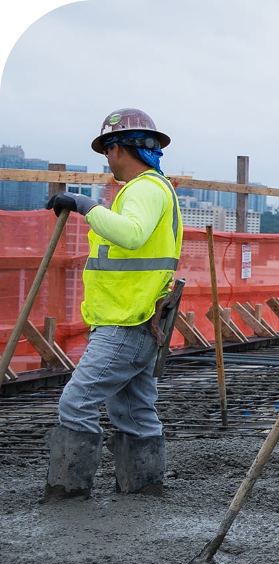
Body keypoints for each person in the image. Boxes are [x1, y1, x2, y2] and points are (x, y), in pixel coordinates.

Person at [43, 108, 182, 499]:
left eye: (108, 151)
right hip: (138, 321)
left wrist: (85, 205)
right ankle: (144, 488)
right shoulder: (156, 189)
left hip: (126, 322)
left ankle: (67, 492)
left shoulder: (143, 189)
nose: (108, 161)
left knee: (75, 403)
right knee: (134, 413)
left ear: (117, 148)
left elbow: (132, 236)